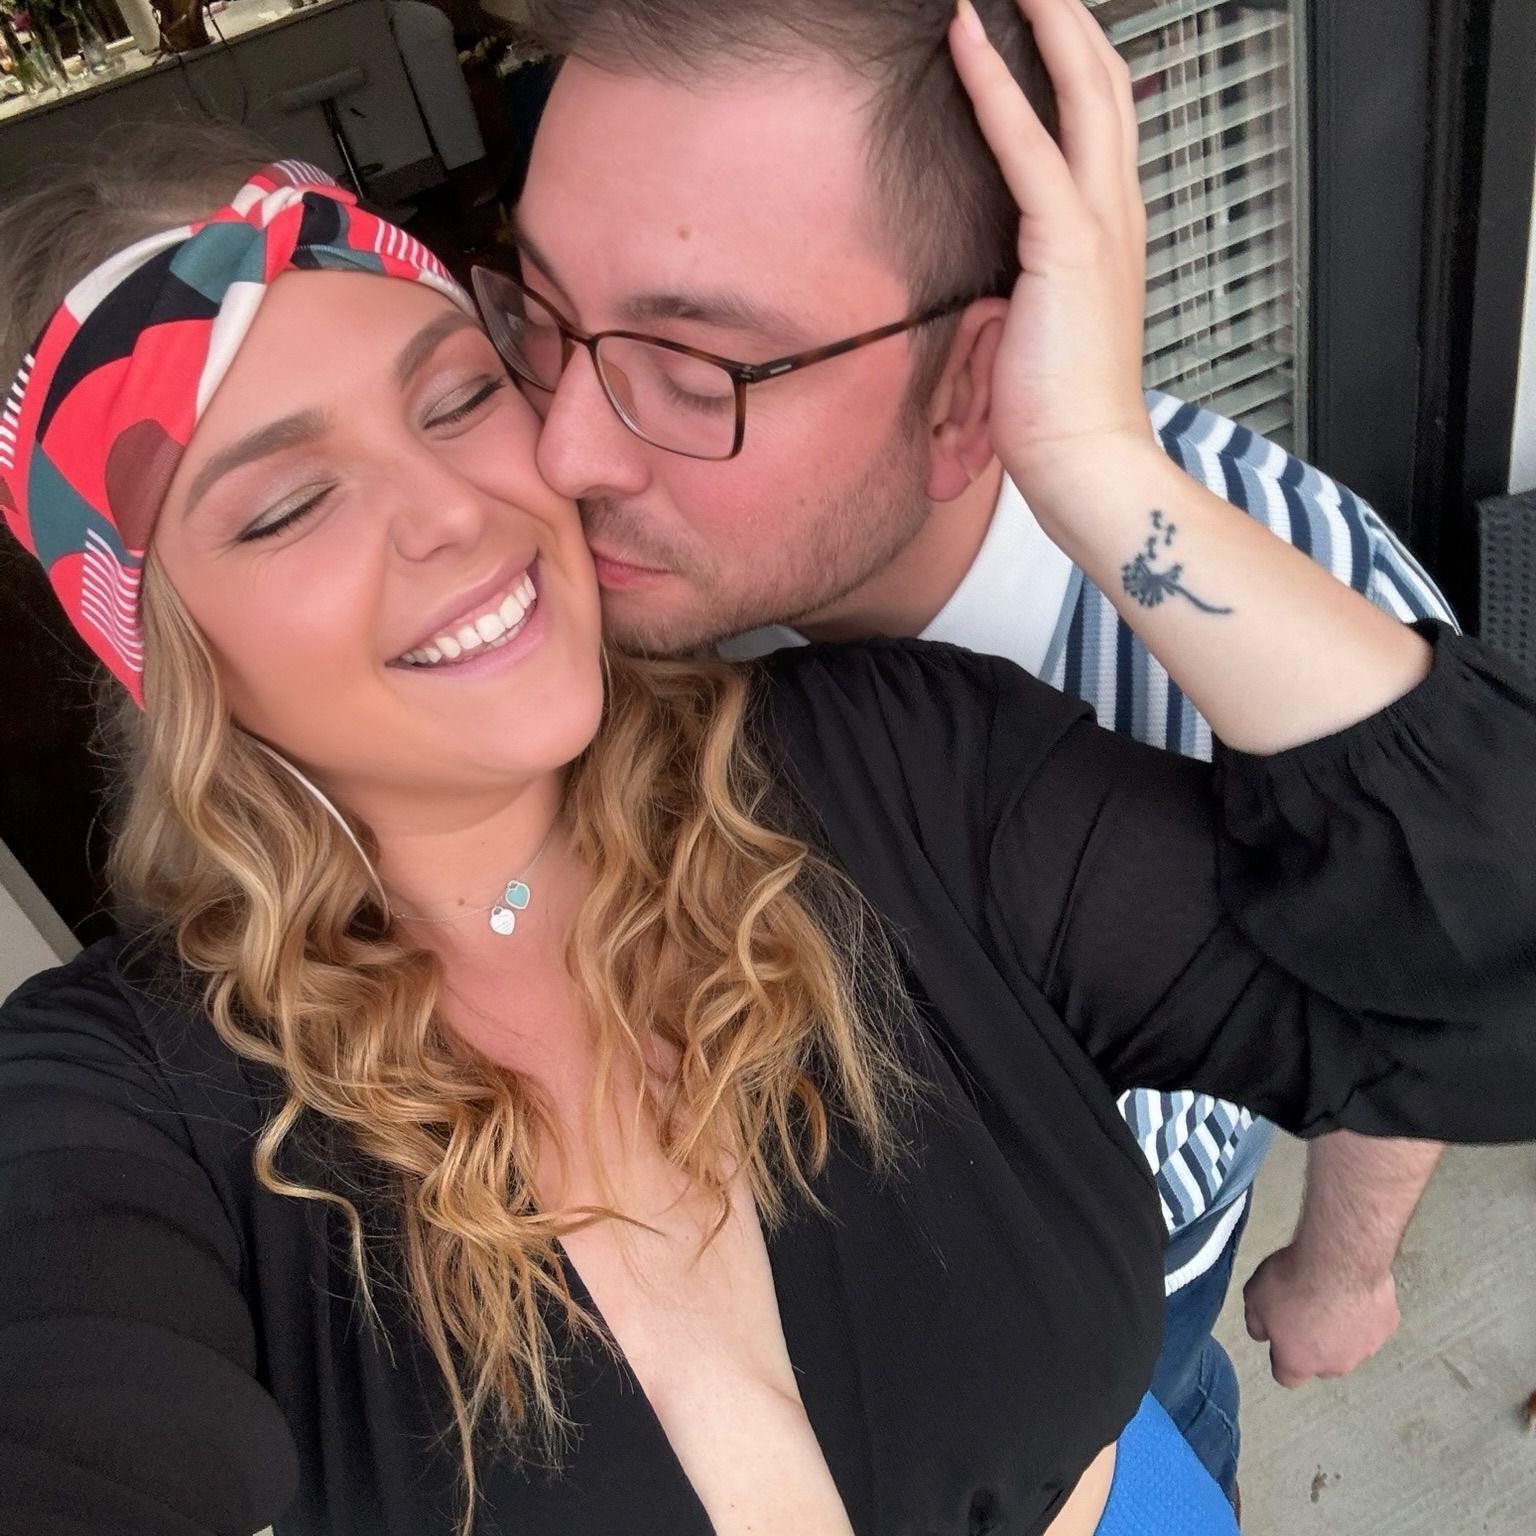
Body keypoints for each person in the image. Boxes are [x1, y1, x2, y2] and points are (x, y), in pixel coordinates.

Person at [4, 21, 1536, 1536]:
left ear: (965, 391)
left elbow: (1475, 1008)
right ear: (156, 646)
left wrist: (1092, 453)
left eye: (459, 398)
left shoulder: (900, 764)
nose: (532, 478)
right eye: (285, 506)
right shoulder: (132, 1100)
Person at [505, 0, 1452, 1491]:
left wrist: (1342, 1267)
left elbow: (1427, 979)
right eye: (540, 316)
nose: (563, 450)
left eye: (693, 372)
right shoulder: (553, 603)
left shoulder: (1286, 611)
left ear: (966, 390)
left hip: (1140, 1272)